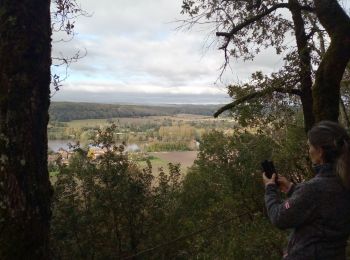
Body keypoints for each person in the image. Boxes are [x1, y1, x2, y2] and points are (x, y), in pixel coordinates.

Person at [263, 120, 350, 259]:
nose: (309, 151)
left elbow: (279, 217)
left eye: (310, 146)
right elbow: (323, 205)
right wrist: (292, 189)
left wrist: (270, 189)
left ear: (320, 151)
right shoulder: (343, 181)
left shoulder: (315, 189)